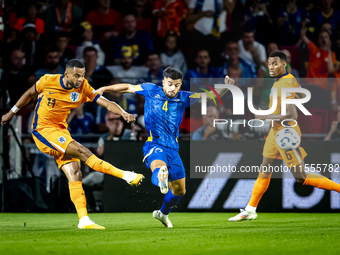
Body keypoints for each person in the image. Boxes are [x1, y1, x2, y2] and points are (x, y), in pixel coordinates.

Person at [1, 59, 144, 229]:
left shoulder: (83, 86)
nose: (79, 79)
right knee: (82, 152)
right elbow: (29, 93)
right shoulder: (48, 80)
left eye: (82, 76)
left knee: (75, 173)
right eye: (76, 75)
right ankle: (126, 176)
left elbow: (105, 102)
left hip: (61, 131)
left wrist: (123, 112)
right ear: (66, 73)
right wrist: (11, 113)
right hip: (43, 130)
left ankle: (84, 220)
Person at [97, 66, 232, 227]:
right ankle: (161, 176)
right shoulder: (150, 90)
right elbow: (127, 87)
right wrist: (105, 88)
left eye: (177, 85)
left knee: (180, 191)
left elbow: (209, 96)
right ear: (163, 82)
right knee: (159, 167)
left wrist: (227, 87)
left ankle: (162, 213)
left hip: (173, 150)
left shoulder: (184, 97)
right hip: (154, 144)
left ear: (180, 85)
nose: (173, 88)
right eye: (170, 84)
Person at [229, 51, 340, 222]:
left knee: (300, 177)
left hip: (286, 133)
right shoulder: (283, 80)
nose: (271, 67)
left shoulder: (284, 84)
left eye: (275, 63)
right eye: (269, 63)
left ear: (284, 64)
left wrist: (264, 116)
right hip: (275, 131)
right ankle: (250, 209)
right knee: (265, 167)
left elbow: (292, 114)